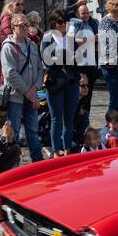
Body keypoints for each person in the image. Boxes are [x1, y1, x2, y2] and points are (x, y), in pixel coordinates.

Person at [0, 12, 45, 164]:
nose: (26, 28)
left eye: (27, 25)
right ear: (13, 27)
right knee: (14, 131)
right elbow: (10, 73)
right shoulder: (8, 47)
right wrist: (28, 92)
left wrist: (36, 88)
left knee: (33, 129)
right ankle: (12, 162)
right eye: (22, 25)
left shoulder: (32, 45)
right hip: (16, 96)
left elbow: (39, 68)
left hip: (31, 93)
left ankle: (37, 160)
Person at [41, 9, 79, 156]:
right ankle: (57, 150)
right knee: (56, 118)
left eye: (65, 22)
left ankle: (68, 148)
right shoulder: (47, 37)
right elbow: (46, 60)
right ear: (54, 23)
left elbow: (76, 58)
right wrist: (63, 58)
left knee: (69, 118)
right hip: (55, 82)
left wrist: (60, 58)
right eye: (60, 22)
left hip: (71, 81)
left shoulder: (71, 37)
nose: (63, 25)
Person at [71, 0, 100, 138]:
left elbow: (97, 40)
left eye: (87, 12)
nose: (86, 15)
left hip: (91, 63)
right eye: (83, 13)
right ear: (78, 14)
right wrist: (91, 39)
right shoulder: (75, 24)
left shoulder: (92, 24)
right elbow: (73, 41)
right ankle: (78, 122)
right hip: (80, 63)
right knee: (80, 94)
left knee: (89, 94)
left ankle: (85, 122)